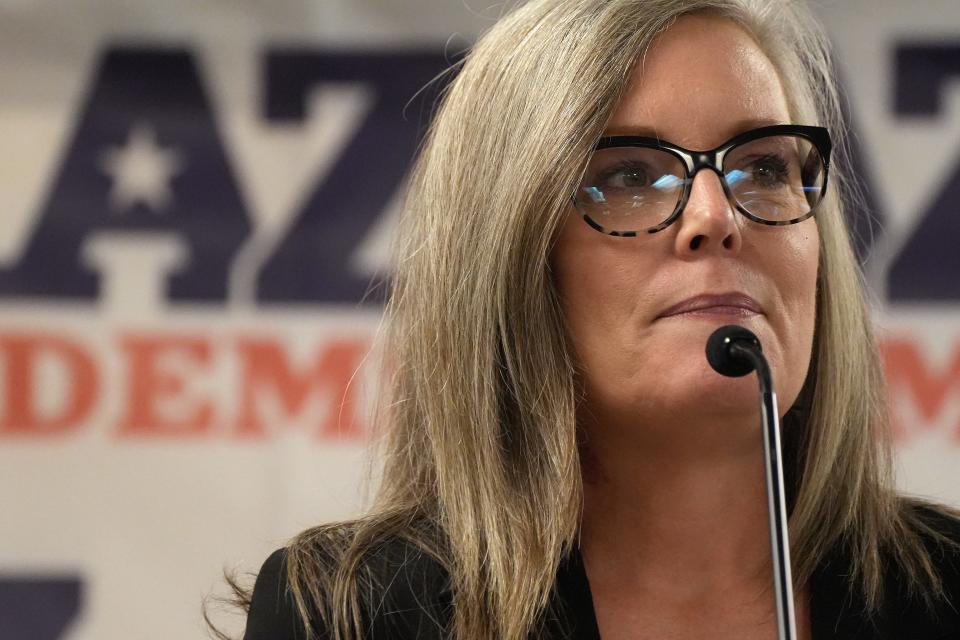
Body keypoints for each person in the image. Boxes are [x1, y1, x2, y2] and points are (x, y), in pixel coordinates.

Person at [237, 0, 960, 638]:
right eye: (630, 175)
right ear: (513, 256)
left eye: (764, 167)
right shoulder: (349, 619)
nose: (717, 215)